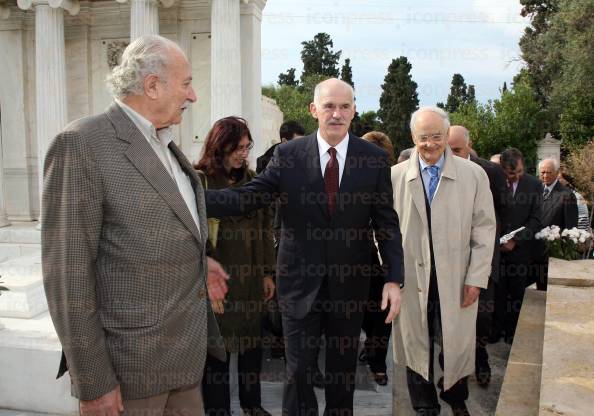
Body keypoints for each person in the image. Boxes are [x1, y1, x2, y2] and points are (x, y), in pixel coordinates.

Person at [41, 35, 228, 416]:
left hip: (186, 366)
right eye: (187, 82)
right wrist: (94, 384)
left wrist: (196, 261)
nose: (193, 96)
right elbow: (67, 276)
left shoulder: (166, 146)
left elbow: (152, 231)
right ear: (153, 86)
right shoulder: (82, 144)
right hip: (130, 376)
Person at [205, 78, 404, 416]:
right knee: (298, 374)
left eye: (344, 106)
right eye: (329, 106)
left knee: (343, 376)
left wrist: (393, 278)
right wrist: (193, 198)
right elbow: (251, 196)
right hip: (298, 285)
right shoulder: (288, 154)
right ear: (314, 110)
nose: (337, 114)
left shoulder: (372, 159)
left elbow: (387, 224)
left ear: (354, 110)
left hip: (350, 285)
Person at [391, 107, 496, 416]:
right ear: (413, 137)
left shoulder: (473, 174)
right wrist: (393, 274)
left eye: (437, 136)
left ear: (447, 136)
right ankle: (423, 404)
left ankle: (456, 396)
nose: (430, 144)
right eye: (423, 137)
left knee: (456, 341)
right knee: (416, 341)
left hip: (457, 276)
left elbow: (485, 227)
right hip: (412, 276)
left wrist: (477, 277)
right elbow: (382, 231)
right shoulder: (394, 177)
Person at [196, 117, 275, 416]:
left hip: (251, 280)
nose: (243, 153)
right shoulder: (199, 181)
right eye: (237, 148)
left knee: (252, 345)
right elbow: (194, 237)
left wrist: (268, 273)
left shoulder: (255, 180)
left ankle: (251, 404)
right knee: (218, 352)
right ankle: (218, 410)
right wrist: (206, 282)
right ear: (219, 147)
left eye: (246, 147)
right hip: (218, 282)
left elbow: (266, 229)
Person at [448, 125, 511, 387]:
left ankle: (480, 357)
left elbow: (503, 210)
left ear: (469, 145)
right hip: (449, 258)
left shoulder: (491, 171)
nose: (450, 155)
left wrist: (493, 245)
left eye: (456, 150)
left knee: (482, 315)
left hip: (483, 257)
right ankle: (454, 367)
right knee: (451, 317)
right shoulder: (437, 169)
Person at [493, 148, 542, 342]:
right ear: (503, 169)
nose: (516, 176)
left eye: (520, 171)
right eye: (512, 173)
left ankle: (513, 333)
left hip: (520, 252)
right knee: (496, 294)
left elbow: (536, 219)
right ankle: (495, 331)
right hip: (496, 251)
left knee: (516, 295)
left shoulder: (534, 184)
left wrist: (516, 240)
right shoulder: (492, 182)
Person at [359, 131, 395, 386]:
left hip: (386, 258)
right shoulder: (348, 179)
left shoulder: (393, 180)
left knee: (384, 313)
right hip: (358, 258)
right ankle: (369, 347)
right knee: (362, 311)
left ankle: (378, 362)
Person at [534, 158, 578, 290]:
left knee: (550, 292)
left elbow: (570, 229)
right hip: (534, 253)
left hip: (554, 256)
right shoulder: (535, 191)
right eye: (542, 172)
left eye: (549, 172)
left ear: (557, 172)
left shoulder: (566, 195)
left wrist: (563, 256)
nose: (545, 175)